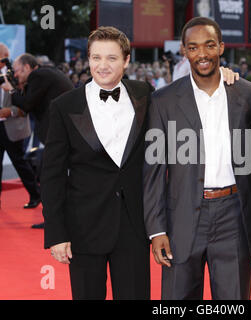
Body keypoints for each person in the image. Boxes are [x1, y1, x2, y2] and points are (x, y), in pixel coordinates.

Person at [143, 17, 251, 300]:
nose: (202, 54)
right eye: (193, 47)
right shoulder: (164, 100)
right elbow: (153, 170)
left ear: (221, 47)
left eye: (209, 45)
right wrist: (156, 229)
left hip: (234, 215)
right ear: (184, 52)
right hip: (180, 218)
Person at [40, 26, 152, 300]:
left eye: (111, 58)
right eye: (95, 57)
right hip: (83, 226)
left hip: (134, 225)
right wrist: (55, 233)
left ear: (126, 61)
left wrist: (223, 76)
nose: (102, 66)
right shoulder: (64, 105)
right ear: (87, 59)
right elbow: (52, 174)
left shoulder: (146, 95)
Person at [2, 53, 74, 228]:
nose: (16, 75)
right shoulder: (47, 73)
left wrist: (10, 89)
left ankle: (56, 220)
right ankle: (59, 218)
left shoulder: (38, 76)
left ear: (27, 67)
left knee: (50, 176)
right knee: (51, 175)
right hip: (62, 131)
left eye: (17, 71)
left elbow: (26, 104)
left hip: (57, 132)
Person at [0, 43, 40, 209]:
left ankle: (35, 195)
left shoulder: (15, 75)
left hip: (11, 126)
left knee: (19, 163)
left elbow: (26, 103)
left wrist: (10, 111)